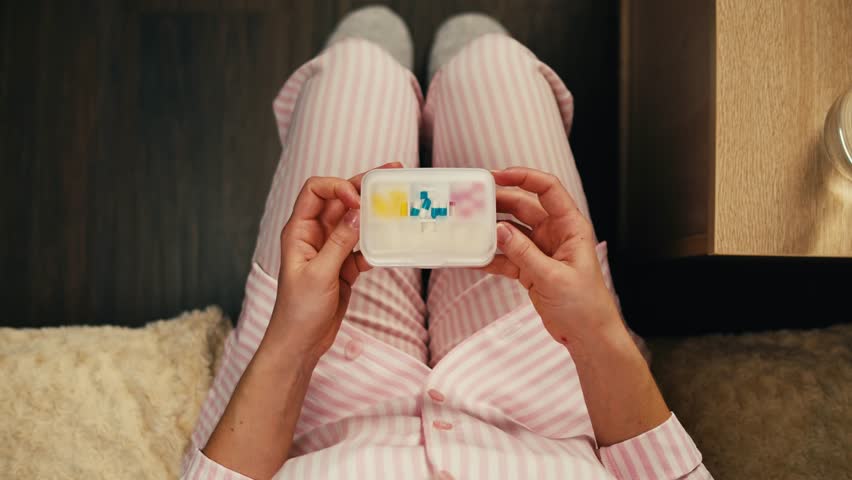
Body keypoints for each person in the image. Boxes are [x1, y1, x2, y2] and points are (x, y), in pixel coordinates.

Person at [181, 7, 712, 479]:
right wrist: (593, 329)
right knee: (492, 61)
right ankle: (450, 78)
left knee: (359, 67)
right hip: (558, 375)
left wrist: (291, 343)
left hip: (309, 394)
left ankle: (396, 79)